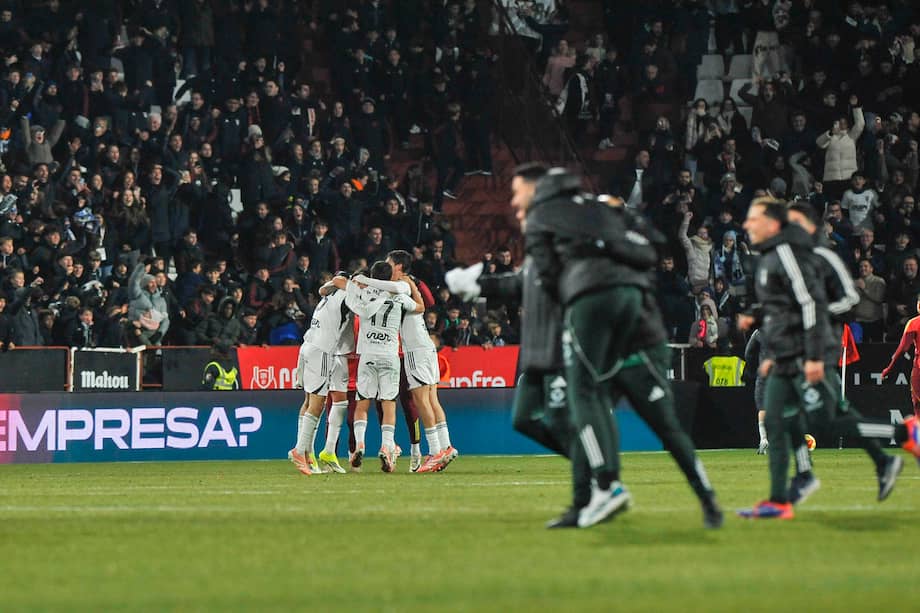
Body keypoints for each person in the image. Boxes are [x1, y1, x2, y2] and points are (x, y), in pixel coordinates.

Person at [525, 168, 721, 529]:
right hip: (613, 348)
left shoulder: (619, 239)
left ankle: (707, 499)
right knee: (586, 412)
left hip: (637, 348)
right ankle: (586, 500)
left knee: (661, 424)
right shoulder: (596, 238)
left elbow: (647, 251)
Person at [360, 249, 458, 473]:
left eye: (389, 262)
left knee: (422, 401)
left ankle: (435, 452)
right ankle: (446, 446)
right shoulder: (406, 285)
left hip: (416, 350)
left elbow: (420, 304)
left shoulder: (401, 284)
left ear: (399, 267)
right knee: (432, 400)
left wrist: (365, 281)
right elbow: (423, 304)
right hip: (425, 347)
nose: (386, 266)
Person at [343, 262, 423, 472]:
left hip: (368, 354)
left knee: (363, 402)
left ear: (372, 275)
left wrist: (357, 282)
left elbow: (350, 296)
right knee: (388, 403)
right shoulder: (399, 295)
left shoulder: (365, 293)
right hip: (389, 354)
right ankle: (387, 446)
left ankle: (359, 443)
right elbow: (420, 308)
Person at [288, 271, 355, 476]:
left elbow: (327, 286)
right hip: (322, 351)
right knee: (318, 404)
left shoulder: (327, 296)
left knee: (308, 402)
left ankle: (307, 453)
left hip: (307, 346)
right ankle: (299, 450)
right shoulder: (346, 295)